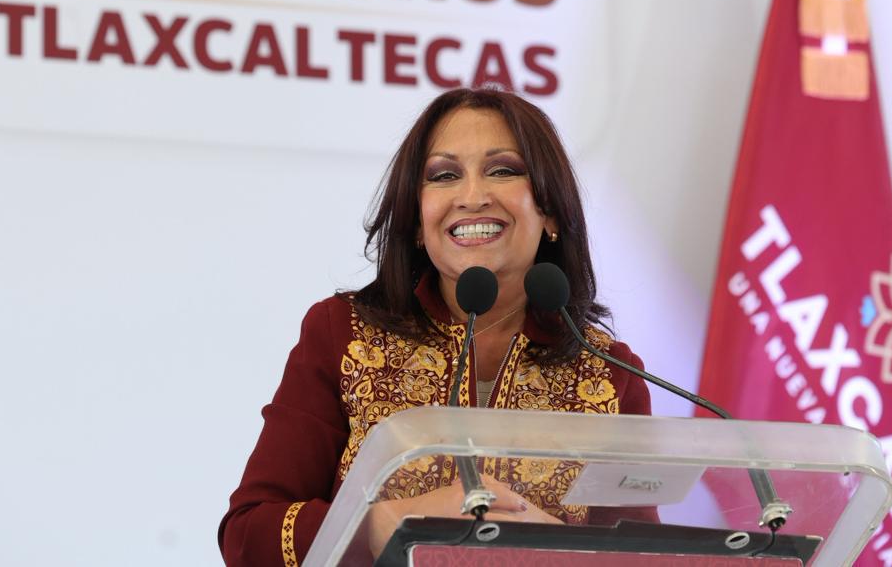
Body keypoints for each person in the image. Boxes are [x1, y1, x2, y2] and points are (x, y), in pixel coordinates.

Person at [219, 87, 655, 566]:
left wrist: (560, 549)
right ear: (416, 221)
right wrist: (381, 524)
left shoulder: (609, 375)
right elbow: (248, 535)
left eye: (503, 170)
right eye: (444, 175)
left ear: (549, 209)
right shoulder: (343, 335)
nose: (472, 197)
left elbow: (645, 559)